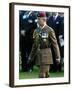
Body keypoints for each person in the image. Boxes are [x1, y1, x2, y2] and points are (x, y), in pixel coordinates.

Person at [28, 11, 60, 78]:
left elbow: (55, 44)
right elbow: (35, 45)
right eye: (37, 19)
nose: (37, 21)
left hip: (46, 55)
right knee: (46, 75)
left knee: (42, 75)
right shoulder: (36, 30)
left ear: (44, 19)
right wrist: (31, 56)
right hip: (39, 55)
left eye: (39, 19)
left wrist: (57, 57)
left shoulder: (49, 30)